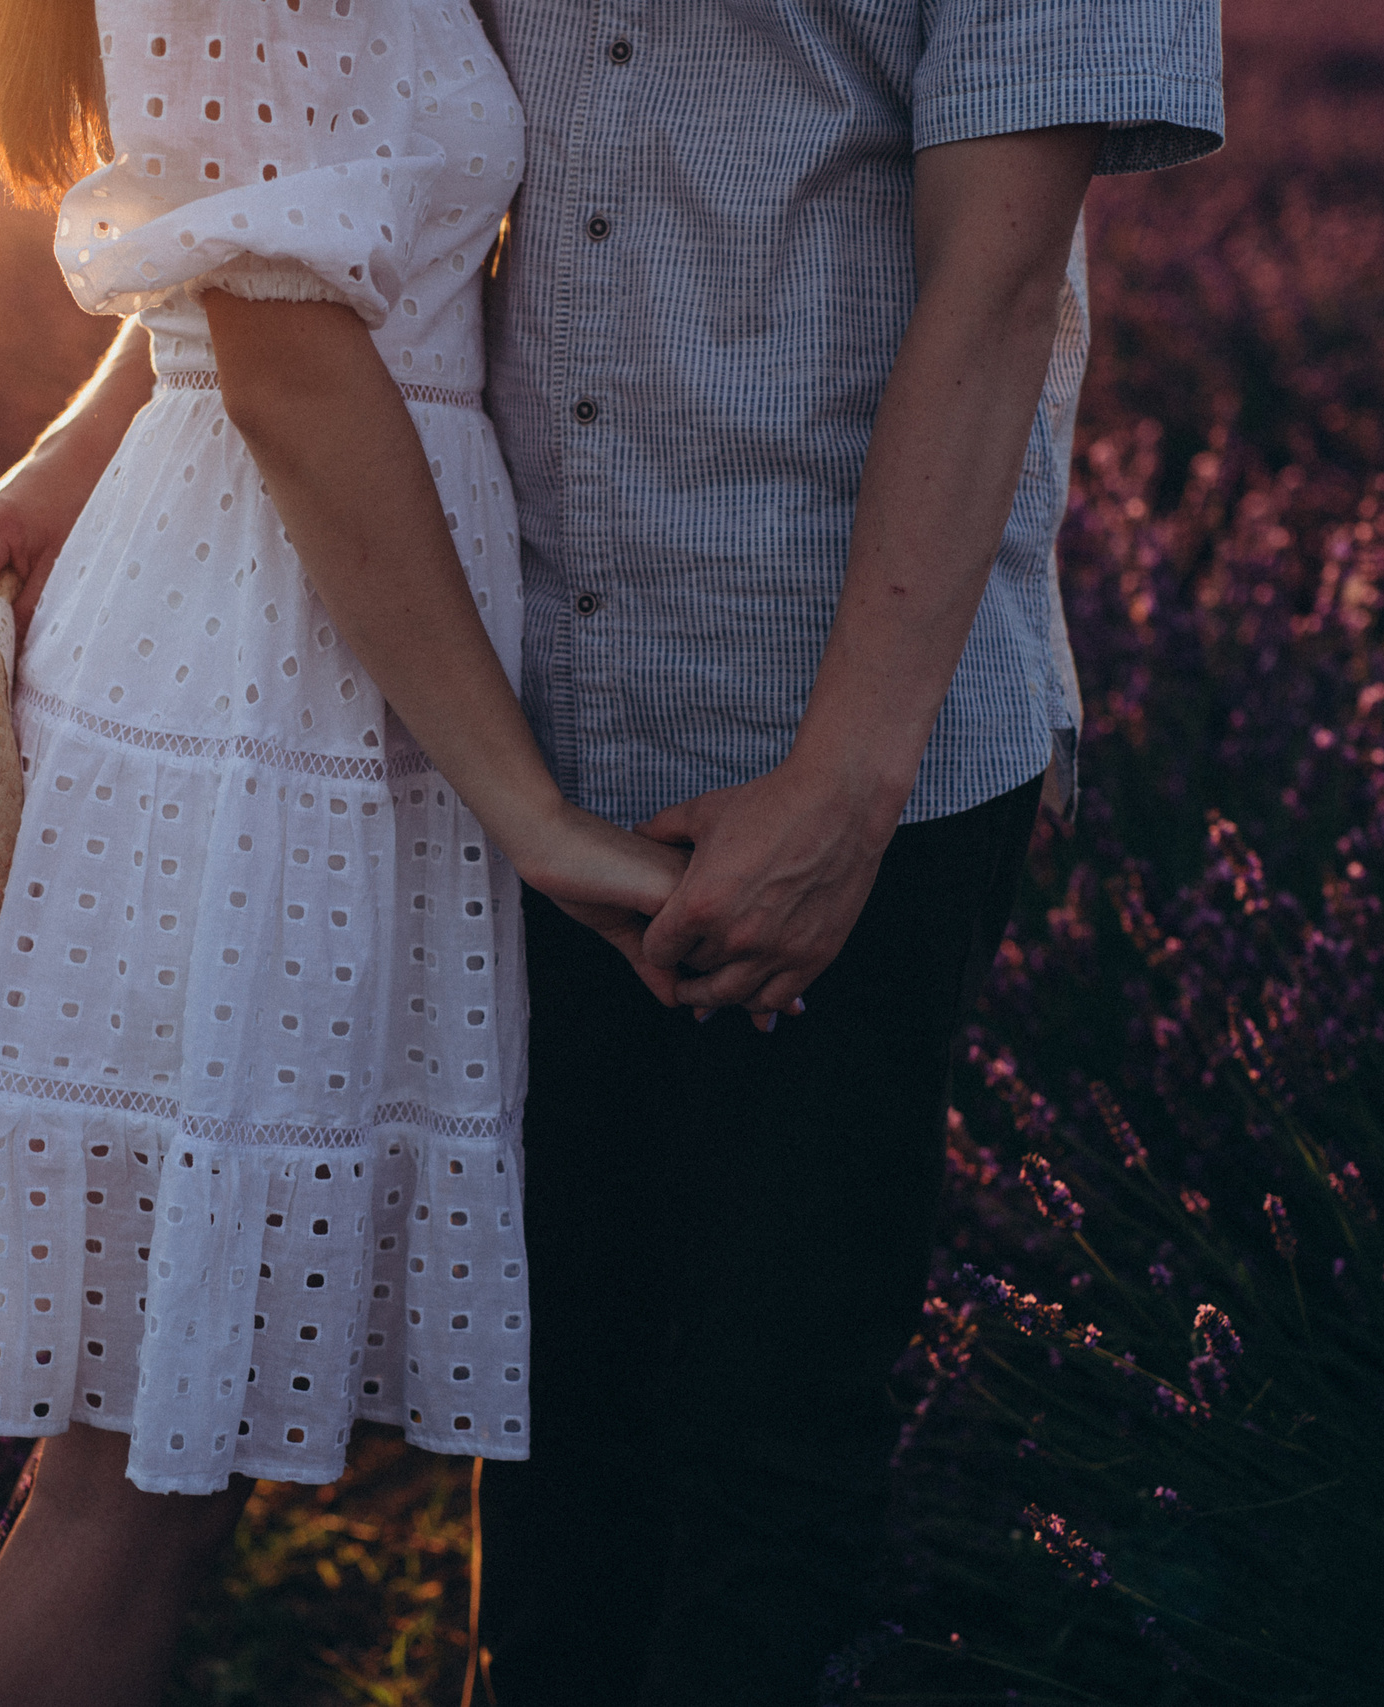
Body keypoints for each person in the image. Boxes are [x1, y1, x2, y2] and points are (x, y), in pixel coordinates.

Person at [0, 3, 684, 1704]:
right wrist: (529, 811)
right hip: (270, 659)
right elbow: (287, 356)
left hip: (314, 626)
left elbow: (252, 219)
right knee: (138, 1464)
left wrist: (62, 447)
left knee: (172, 1440)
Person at [467, 2, 1223, 1702]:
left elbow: (1000, 279)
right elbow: (310, 155)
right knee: (546, 1427)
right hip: (518, 719)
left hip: (838, 732)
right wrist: (86, 444)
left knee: (766, 1449)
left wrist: (844, 783)